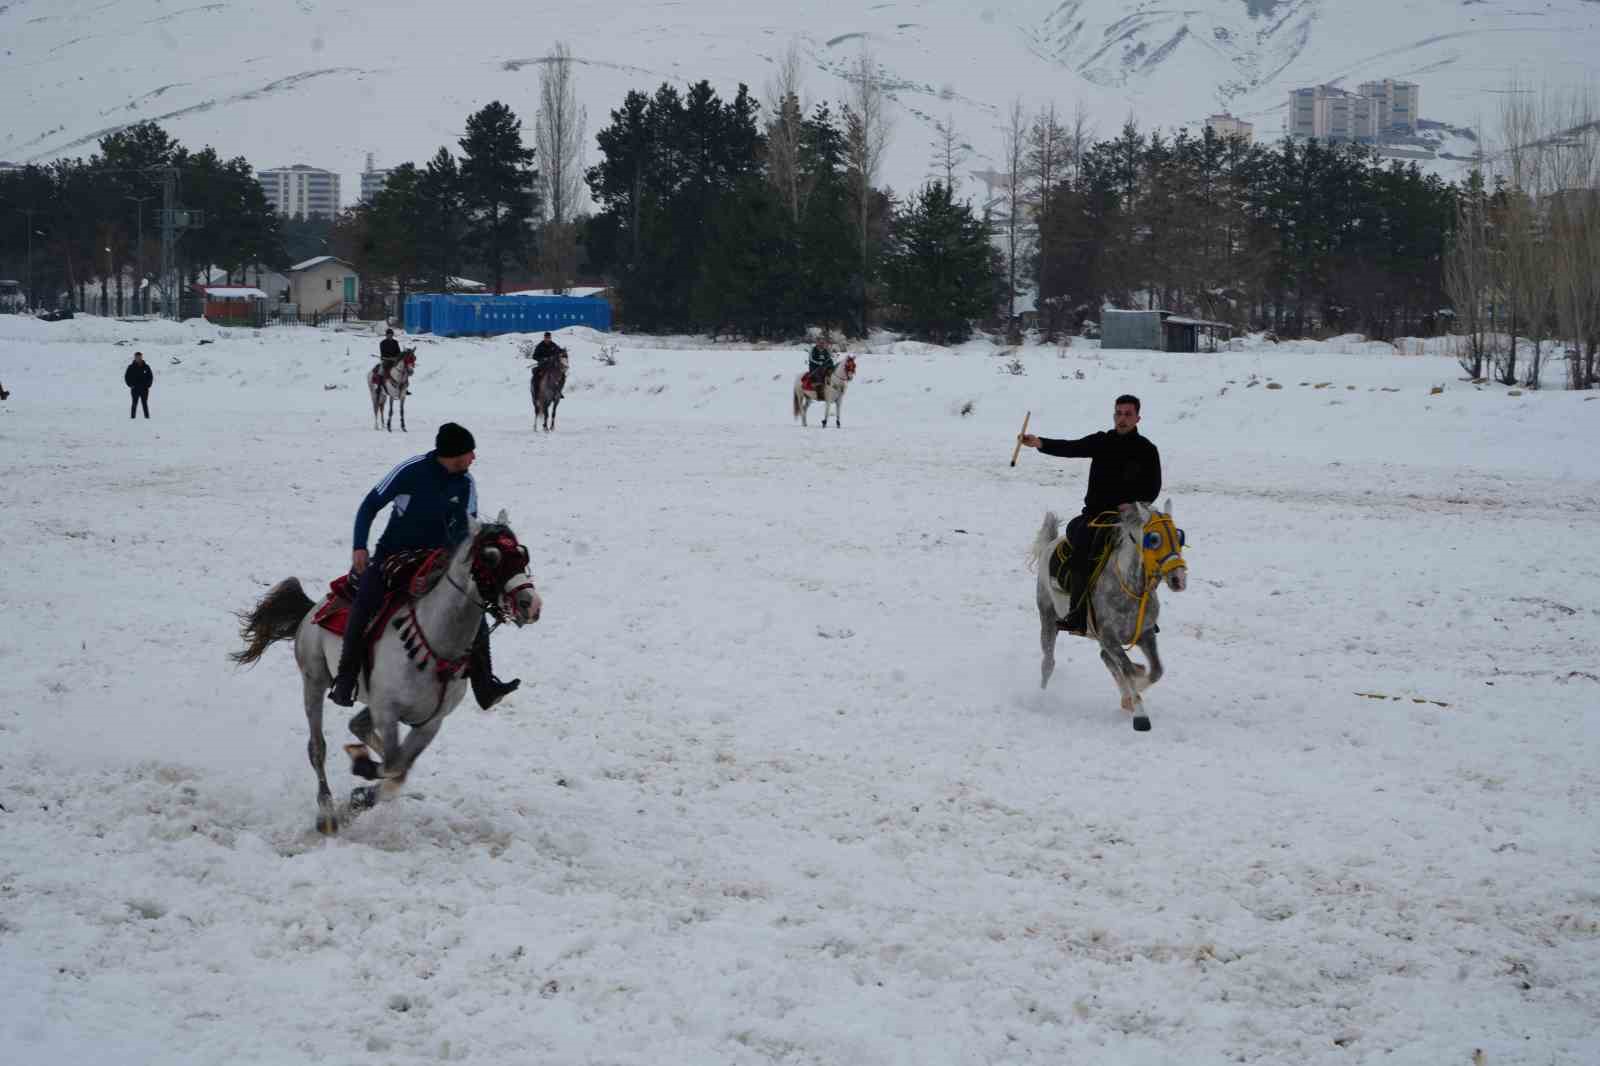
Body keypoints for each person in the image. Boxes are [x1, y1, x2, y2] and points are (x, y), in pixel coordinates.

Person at [328, 422, 521, 710]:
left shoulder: (466, 483)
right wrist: (359, 546)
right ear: (454, 455)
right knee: (364, 603)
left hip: (438, 560)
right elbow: (370, 505)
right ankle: (345, 680)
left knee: (473, 603)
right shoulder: (411, 470)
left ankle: (485, 684)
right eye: (470, 453)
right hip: (391, 557)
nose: (474, 458)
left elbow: (467, 528)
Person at [1018, 394, 1162, 634]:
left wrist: (1133, 505)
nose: (1122, 419)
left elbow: (1153, 487)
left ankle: (1145, 611)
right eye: (1118, 413)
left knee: (1149, 550)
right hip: (1094, 517)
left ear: (1138, 418)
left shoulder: (1147, 450)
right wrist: (1039, 442)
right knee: (1082, 541)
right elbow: (1071, 447)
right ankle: (1077, 612)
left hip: (1129, 517)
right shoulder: (1101, 441)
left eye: (1128, 414)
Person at [124, 351, 153, 419]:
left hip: (144, 389)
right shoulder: (131, 367)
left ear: (141, 357)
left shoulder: (146, 367)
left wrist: (148, 385)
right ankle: (132, 418)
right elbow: (127, 377)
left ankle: (147, 417)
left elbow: (150, 376)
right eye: (137, 357)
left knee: (144, 403)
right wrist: (130, 385)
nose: (138, 358)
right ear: (135, 358)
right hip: (135, 389)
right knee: (134, 403)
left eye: (139, 357)